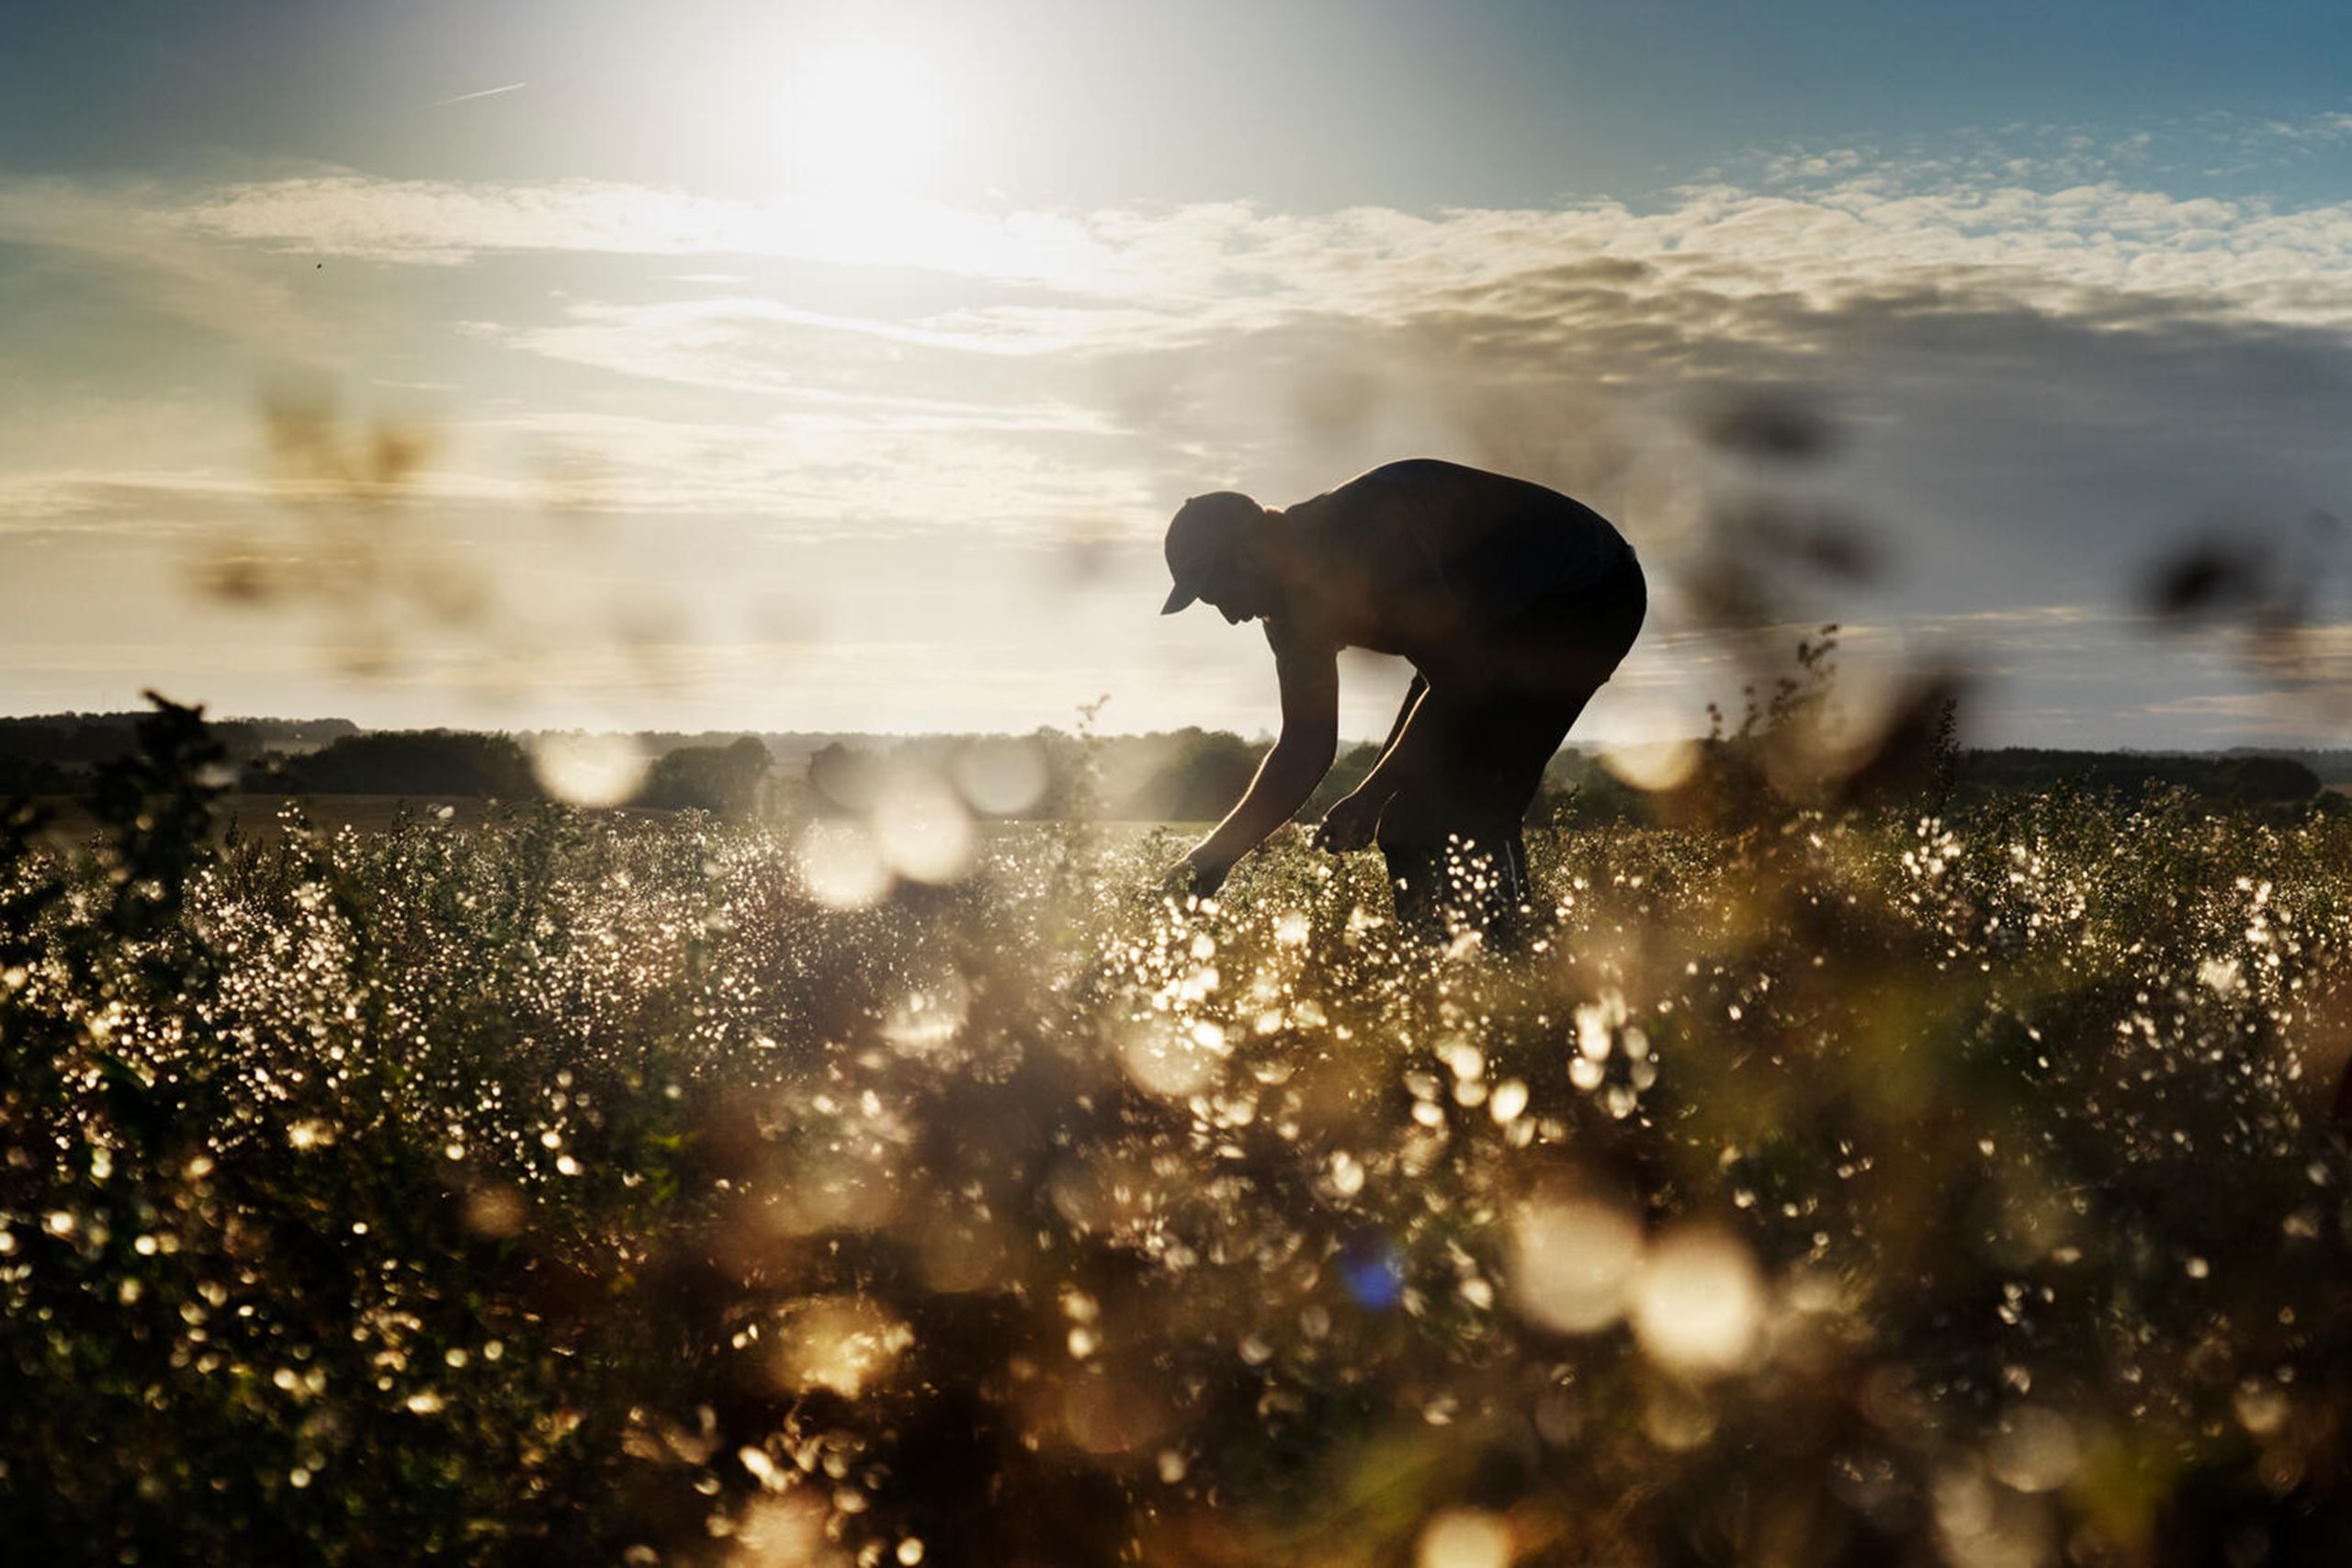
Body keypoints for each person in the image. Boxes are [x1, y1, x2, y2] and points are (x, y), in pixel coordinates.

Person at [1158, 457, 1645, 942]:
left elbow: (1460, 680)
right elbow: (1304, 748)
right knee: (1406, 826)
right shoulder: (1286, 619)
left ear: (1249, 556)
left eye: (1218, 595)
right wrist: (1211, 860)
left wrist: (1369, 795)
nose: (1228, 616)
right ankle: (1433, 968)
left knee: (1472, 804)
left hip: (1587, 592)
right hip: (1477, 636)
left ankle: (1506, 968)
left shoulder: (1370, 536)